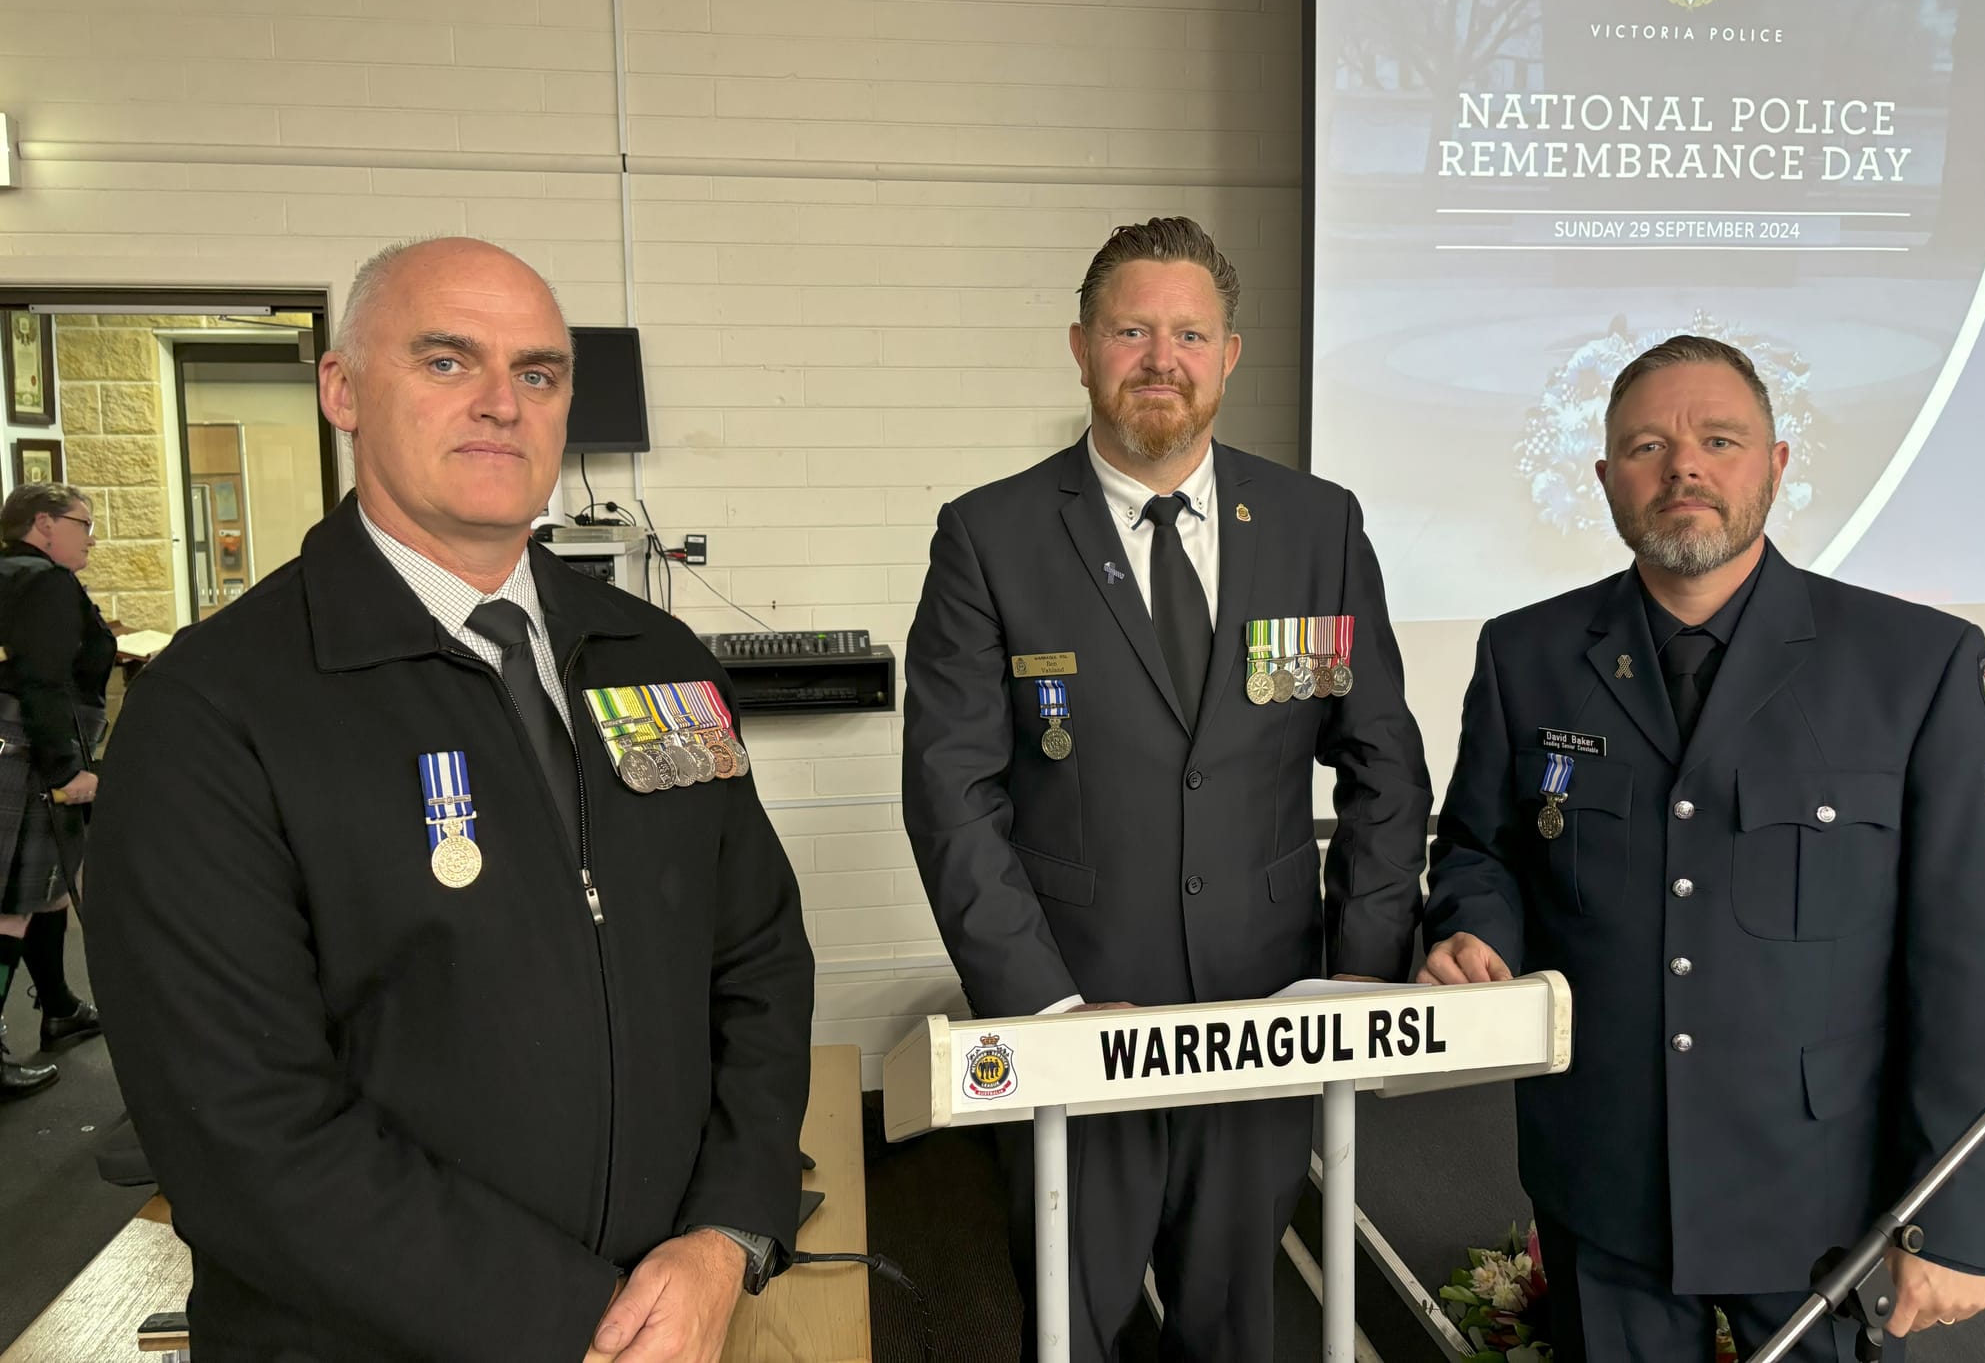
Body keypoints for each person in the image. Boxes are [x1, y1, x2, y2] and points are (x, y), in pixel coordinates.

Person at [88, 238, 814, 1363]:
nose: (500, 405)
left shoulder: (654, 658)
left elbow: (757, 958)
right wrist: (581, 1324)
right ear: (341, 389)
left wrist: (728, 1233)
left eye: (537, 373)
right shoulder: (215, 711)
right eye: (443, 361)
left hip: (679, 1314)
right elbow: (243, 1130)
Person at [902, 216, 1431, 1361]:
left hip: (1266, 1012)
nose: (1160, 358)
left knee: (1237, 1323)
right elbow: (951, 790)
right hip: (1080, 1014)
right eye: (1130, 330)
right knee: (1068, 1319)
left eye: (1188, 333)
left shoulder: (1314, 524)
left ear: (1227, 355)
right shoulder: (987, 536)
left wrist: (1357, 971)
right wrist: (1039, 1004)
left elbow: (1383, 762)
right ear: (1081, 347)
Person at [1421, 335, 1985, 1358]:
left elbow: (1967, 963)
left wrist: (1948, 1221)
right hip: (1603, 1184)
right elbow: (1480, 847)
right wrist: (1473, 926)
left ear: (1773, 468)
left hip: (1822, 1201)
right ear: (1604, 479)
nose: (1681, 466)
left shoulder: (1914, 666)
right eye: (1645, 446)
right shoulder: (1527, 655)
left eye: (1717, 440)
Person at [0, 481, 111, 1101]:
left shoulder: (10, 573)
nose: (90, 537)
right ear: (44, 525)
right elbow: (43, 683)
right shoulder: (43, 582)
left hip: (20, 746)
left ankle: (61, 1006)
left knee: (44, 893)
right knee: (12, 903)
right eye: (83, 524)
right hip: (28, 751)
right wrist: (67, 770)